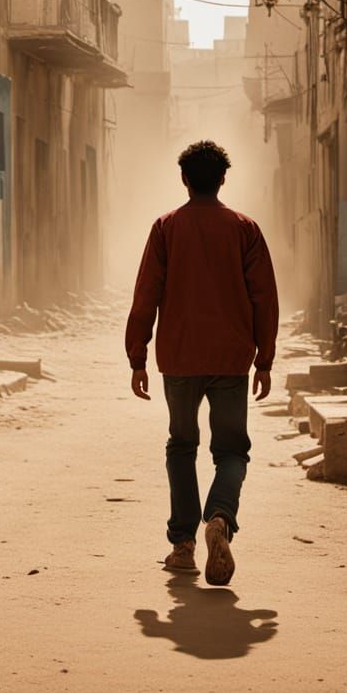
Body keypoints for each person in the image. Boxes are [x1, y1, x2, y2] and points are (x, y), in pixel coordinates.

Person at [125, 140, 279, 586]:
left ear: (185, 179)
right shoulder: (245, 229)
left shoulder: (166, 228)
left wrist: (137, 357)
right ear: (223, 179)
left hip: (179, 358)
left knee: (182, 445)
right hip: (231, 358)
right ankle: (220, 517)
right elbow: (264, 298)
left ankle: (183, 545)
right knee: (231, 451)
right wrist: (264, 360)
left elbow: (146, 294)